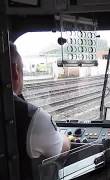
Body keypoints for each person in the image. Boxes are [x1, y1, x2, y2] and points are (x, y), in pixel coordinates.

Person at [9, 42, 70, 179]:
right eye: (22, 70)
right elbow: (62, 149)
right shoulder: (32, 117)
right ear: (15, 71)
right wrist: (64, 136)